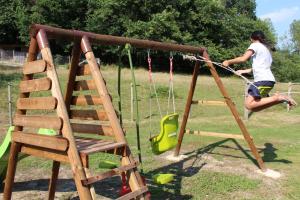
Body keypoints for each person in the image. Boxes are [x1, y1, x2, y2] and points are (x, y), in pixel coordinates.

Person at [222, 30, 297, 112]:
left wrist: (228, 61)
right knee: (254, 107)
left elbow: (243, 58)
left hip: (262, 80)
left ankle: (278, 97)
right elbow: (261, 67)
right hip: (269, 81)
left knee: (249, 104)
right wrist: (244, 71)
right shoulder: (266, 50)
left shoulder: (255, 45)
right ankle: (278, 99)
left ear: (251, 38)